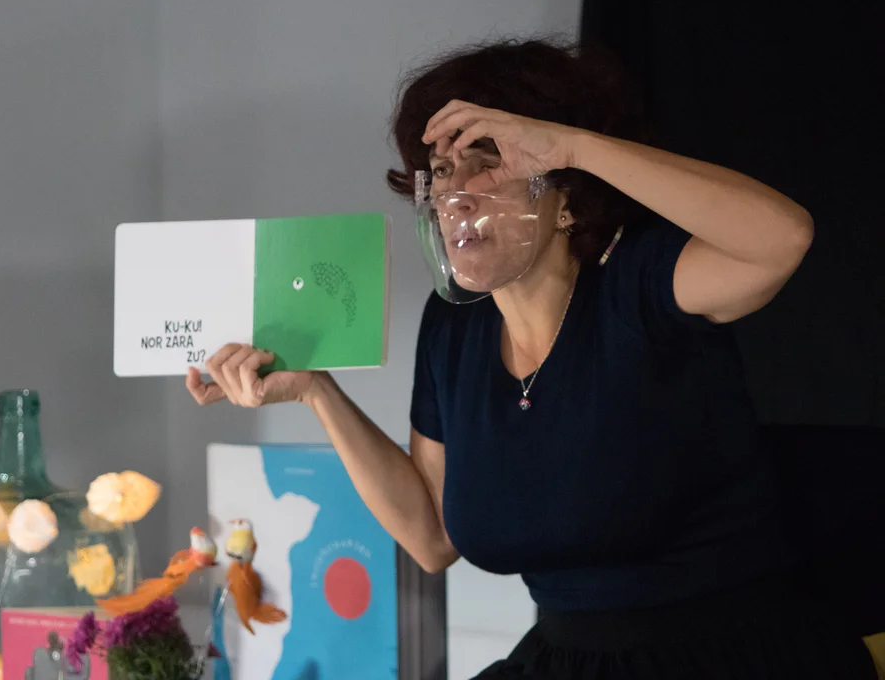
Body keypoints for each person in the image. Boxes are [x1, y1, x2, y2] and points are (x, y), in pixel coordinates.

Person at [185, 39, 876, 679]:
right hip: (568, 656)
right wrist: (316, 391)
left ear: (564, 193)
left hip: (726, 653)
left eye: (487, 161)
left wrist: (574, 144)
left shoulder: (639, 282)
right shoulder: (454, 327)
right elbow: (432, 536)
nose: (456, 196)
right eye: (442, 171)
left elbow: (781, 239)